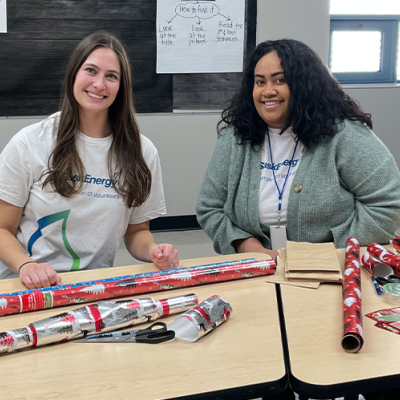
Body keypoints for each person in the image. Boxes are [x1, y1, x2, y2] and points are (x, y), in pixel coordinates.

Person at [0, 31, 179, 289]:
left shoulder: (142, 151)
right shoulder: (30, 141)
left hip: (93, 287)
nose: (99, 84)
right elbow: (3, 229)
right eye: (91, 71)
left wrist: (154, 250)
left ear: (122, 85)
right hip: (27, 285)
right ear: (74, 73)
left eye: (111, 76)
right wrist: (26, 265)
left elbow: (136, 232)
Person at [196, 39, 400, 259]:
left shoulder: (345, 135)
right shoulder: (236, 138)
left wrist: (324, 253)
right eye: (260, 82)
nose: (268, 91)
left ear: (305, 85)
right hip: (256, 265)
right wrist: (249, 248)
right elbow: (210, 208)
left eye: (280, 80)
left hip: (333, 265)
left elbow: (387, 205)